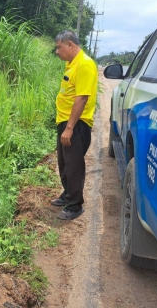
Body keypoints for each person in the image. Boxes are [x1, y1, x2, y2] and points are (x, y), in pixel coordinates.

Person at [51, 30, 98, 220]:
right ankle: (68, 195)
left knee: (73, 165)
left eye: (59, 47)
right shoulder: (72, 64)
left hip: (76, 124)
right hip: (65, 121)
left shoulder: (85, 64)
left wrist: (70, 128)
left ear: (70, 44)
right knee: (63, 162)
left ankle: (75, 205)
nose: (56, 51)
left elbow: (82, 98)